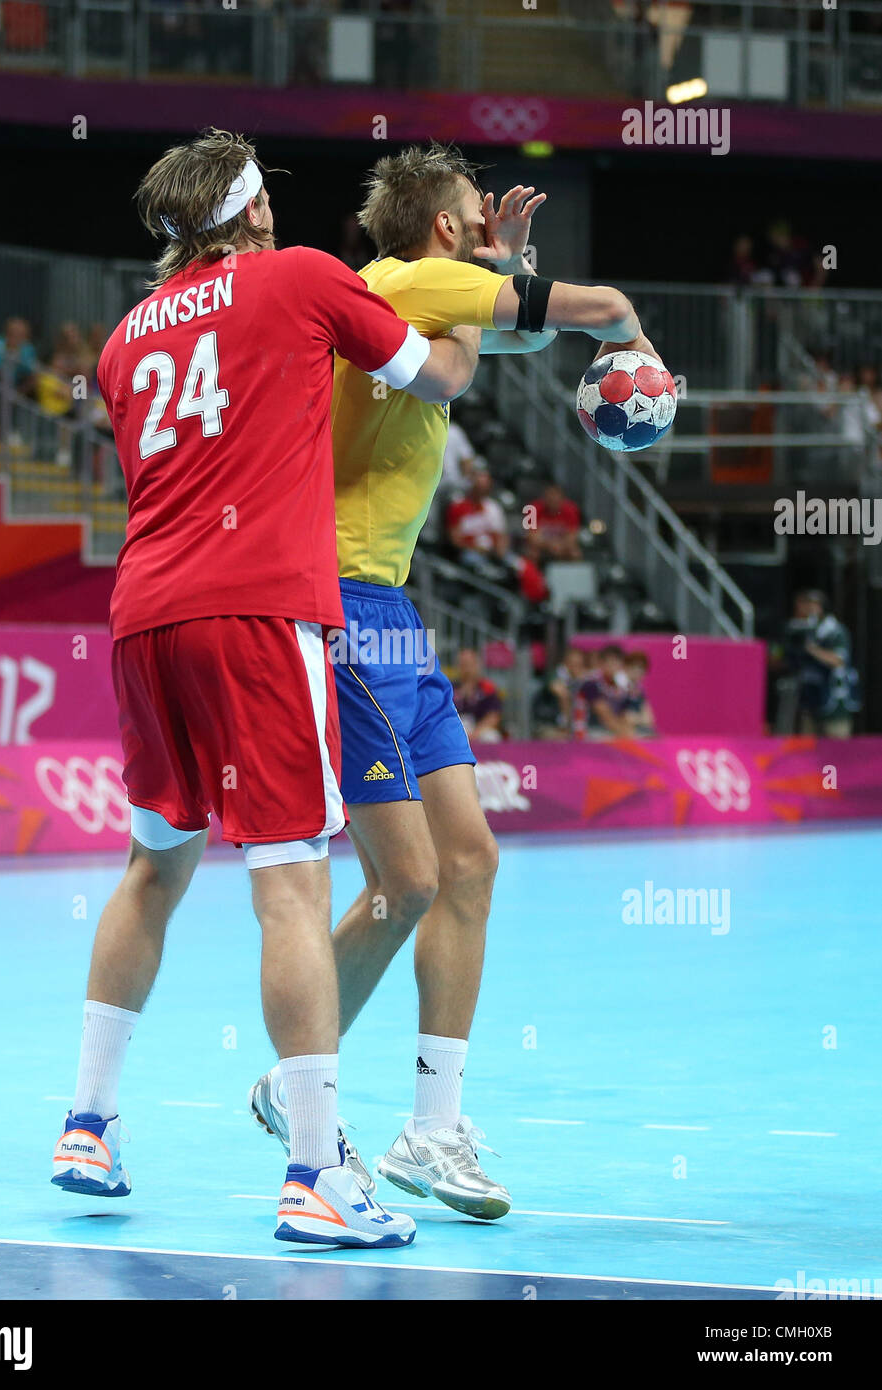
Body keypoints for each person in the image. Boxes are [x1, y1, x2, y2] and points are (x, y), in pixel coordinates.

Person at [49, 128, 478, 1251]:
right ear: (249, 213)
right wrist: (478, 295)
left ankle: (86, 1123)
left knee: (152, 867)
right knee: (288, 882)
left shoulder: (119, 340)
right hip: (257, 612)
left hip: (144, 617)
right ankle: (311, 1172)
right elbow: (436, 373)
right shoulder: (298, 277)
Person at [244, 142, 664, 1219]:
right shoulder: (401, 280)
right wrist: (637, 342)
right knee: (408, 880)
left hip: (387, 612)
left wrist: (497, 283)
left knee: (465, 863)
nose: (492, 229)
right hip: (343, 605)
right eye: (480, 217)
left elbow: (481, 349)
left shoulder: (413, 297)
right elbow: (599, 305)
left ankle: (428, 1131)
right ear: (443, 229)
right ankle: (304, 1081)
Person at [781, 590, 860, 737]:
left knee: (836, 751)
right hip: (810, 701)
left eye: (807, 607)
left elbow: (838, 660)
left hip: (832, 702)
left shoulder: (834, 631)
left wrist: (812, 649)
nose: (803, 611)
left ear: (819, 607)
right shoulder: (800, 630)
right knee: (807, 751)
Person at [576, 644, 635, 740]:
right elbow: (605, 716)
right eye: (610, 662)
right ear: (601, 664)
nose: (614, 667)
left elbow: (625, 715)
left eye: (617, 663)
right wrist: (629, 737)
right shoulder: (591, 683)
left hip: (608, 731)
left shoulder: (623, 685)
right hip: (585, 734)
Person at [452, 647, 504, 742]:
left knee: (492, 736)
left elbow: (493, 716)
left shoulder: (487, 688)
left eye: (469, 664)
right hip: (457, 728)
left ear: (477, 665)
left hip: (479, 729)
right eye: (463, 664)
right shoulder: (450, 688)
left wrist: (475, 733)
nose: (467, 669)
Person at [0, 316, 38, 395]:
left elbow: (31, 371)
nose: (16, 337)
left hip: (15, 389)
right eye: (12, 333)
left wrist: (18, 393)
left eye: (21, 335)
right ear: (6, 333)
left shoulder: (28, 349)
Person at [531, 478, 582, 561]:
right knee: (532, 553)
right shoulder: (533, 508)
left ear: (562, 498)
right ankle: (534, 574)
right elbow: (532, 537)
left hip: (562, 546)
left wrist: (560, 545)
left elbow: (572, 536)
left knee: (575, 553)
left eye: (555, 495)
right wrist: (549, 545)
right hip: (542, 546)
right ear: (544, 497)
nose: (553, 499)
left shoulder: (572, 509)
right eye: (550, 495)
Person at [622, 650, 656, 737]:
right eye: (634, 667)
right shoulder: (619, 686)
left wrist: (640, 719)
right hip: (622, 729)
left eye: (641, 669)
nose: (637, 671)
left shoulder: (639, 689)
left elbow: (649, 718)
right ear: (626, 667)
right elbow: (625, 717)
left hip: (638, 727)